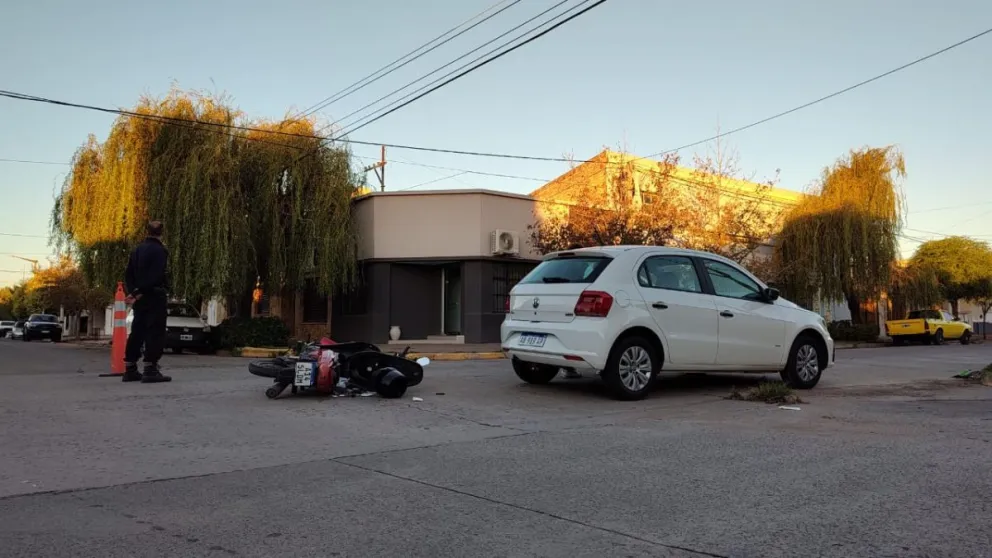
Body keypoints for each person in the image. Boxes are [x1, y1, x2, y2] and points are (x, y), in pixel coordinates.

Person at [122, 221, 172, 383]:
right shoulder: (160, 251)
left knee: (137, 330)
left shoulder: (137, 250)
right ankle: (150, 368)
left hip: (140, 298)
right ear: (162, 233)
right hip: (154, 295)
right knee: (155, 331)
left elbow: (129, 274)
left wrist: (134, 292)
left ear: (147, 232)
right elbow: (156, 276)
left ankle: (130, 368)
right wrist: (142, 291)